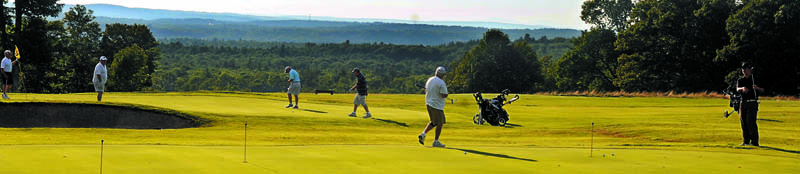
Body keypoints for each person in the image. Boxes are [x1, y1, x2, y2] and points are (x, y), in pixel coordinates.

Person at [418, 66, 448, 148]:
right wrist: (446, 95)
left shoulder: (430, 80)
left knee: (434, 122)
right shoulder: (441, 83)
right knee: (440, 122)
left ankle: (423, 134)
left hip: (428, 103)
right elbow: (444, 95)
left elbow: (426, 91)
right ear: (442, 75)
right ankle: (436, 141)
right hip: (436, 105)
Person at [736, 62, 764, 146]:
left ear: (749, 69)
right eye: (743, 69)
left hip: (752, 102)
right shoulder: (740, 80)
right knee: (743, 122)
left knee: (750, 121)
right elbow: (737, 89)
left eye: (745, 68)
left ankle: (754, 141)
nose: (744, 70)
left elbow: (763, 90)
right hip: (743, 102)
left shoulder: (755, 79)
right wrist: (742, 88)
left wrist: (757, 88)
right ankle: (746, 141)